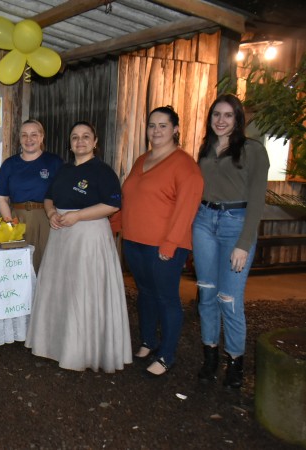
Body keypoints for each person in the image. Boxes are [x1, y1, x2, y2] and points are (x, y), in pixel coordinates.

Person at [25, 122, 131, 372]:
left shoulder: (103, 172)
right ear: (70, 143)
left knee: (83, 291)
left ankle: (82, 349)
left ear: (95, 142)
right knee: (59, 289)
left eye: (85, 137)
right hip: (61, 234)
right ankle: (55, 344)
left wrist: (79, 216)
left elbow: (113, 204)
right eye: (75, 137)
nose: (80, 141)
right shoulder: (64, 170)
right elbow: (49, 197)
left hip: (88, 236)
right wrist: (51, 213)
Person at [119, 106, 204, 377]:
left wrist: (170, 244)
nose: (156, 131)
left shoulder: (184, 164)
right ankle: (148, 341)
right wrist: (116, 226)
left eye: (163, 125)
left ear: (175, 130)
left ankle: (167, 355)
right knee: (145, 293)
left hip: (164, 245)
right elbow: (130, 197)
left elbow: (186, 209)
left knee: (167, 298)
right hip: (134, 241)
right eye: (152, 125)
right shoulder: (143, 159)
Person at [192, 94, 269, 388]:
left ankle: (235, 362)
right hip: (203, 222)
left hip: (235, 224)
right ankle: (209, 355)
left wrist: (244, 243)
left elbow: (258, 200)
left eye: (228, 115)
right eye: (216, 115)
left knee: (230, 299)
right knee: (207, 294)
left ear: (238, 120)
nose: (221, 121)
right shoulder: (206, 149)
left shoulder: (252, 150)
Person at [0, 119, 63, 270]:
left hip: (47, 219)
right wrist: (10, 225)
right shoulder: (9, 164)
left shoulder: (54, 162)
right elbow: (2, 198)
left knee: (47, 265)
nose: (29, 139)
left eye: (34, 134)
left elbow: (63, 195)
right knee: (19, 267)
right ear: (19, 138)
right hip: (18, 219)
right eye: (24, 135)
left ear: (42, 137)